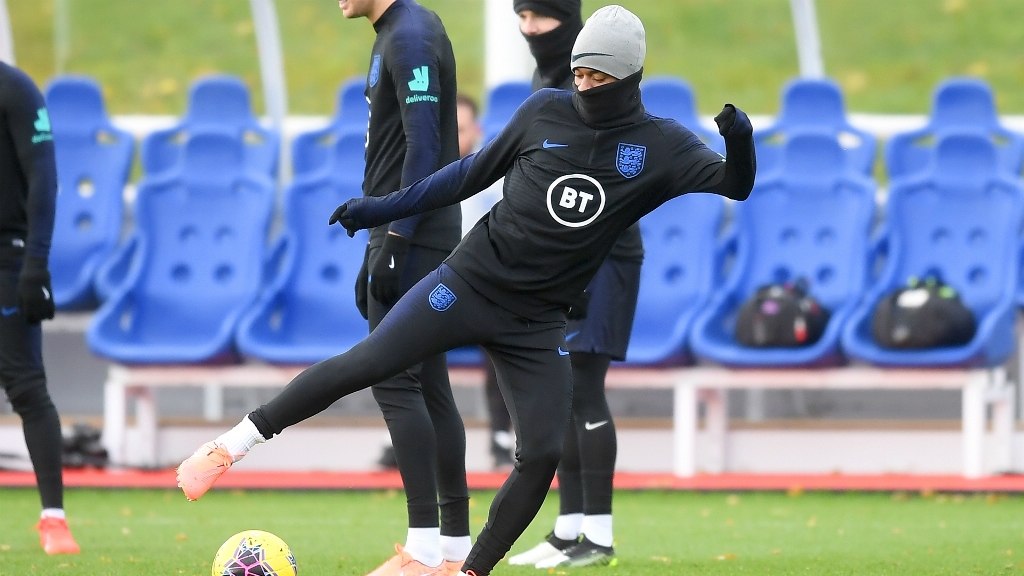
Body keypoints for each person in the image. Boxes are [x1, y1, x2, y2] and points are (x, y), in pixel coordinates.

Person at [178, 6, 755, 576]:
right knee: (370, 361)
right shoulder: (545, 112)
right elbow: (465, 174)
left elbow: (735, 184)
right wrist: (381, 209)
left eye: (598, 77)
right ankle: (230, 445)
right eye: (579, 74)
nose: (584, 86)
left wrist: (739, 139)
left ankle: (469, 571)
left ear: (628, 78)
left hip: (536, 322)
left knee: (543, 454)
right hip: (469, 282)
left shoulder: (662, 145)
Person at [506, 0, 643, 567]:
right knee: (559, 392)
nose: (528, 28)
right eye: (521, 17)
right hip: (562, 259)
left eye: (540, 17)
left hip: (604, 257)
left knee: (583, 387)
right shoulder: (548, 78)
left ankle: (600, 536)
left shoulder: (599, 81)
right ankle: (567, 530)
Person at [0, 62, 79, 555]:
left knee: (26, 387)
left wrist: (36, 265)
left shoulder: (13, 88)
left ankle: (55, 520)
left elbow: (44, 180)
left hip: (6, 260)